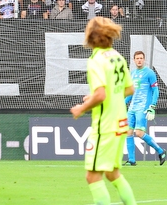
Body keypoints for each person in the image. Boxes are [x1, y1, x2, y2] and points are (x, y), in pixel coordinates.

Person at [70, 17, 137, 205]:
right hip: (121, 123)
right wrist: (94, 97)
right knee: (112, 173)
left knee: (92, 177)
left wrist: (81, 108)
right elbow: (129, 89)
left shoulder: (96, 60)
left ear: (91, 36)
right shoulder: (117, 56)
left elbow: (101, 95)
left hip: (105, 127)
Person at [124, 50, 167, 166]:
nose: (139, 60)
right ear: (134, 60)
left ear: (144, 60)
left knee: (138, 133)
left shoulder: (149, 73)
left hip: (142, 108)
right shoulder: (132, 74)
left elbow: (155, 91)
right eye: (137, 58)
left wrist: (152, 106)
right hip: (132, 107)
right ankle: (131, 160)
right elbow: (131, 92)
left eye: (141, 58)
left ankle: (160, 151)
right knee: (128, 132)